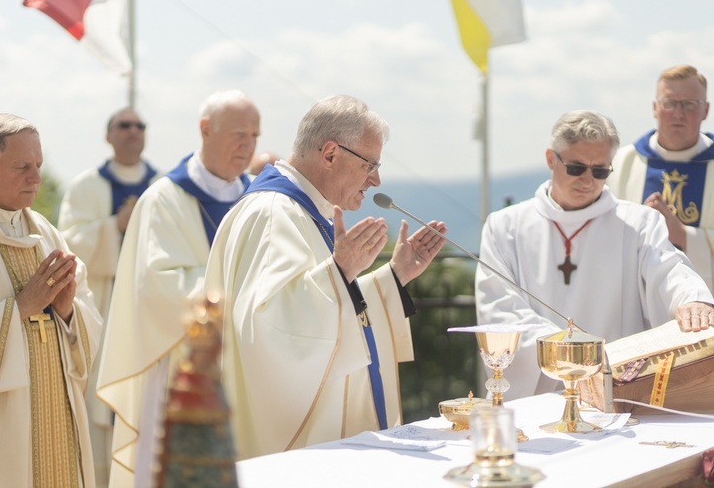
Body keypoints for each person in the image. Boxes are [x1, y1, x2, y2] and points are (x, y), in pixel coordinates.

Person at [203, 94, 447, 460]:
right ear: (330, 154)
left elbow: (325, 305)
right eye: (370, 164)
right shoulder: (273, 213)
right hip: (292, 457)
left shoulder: (300, 210)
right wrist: (339, 272)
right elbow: (265, 330)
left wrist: (395, 277)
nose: (376, 179)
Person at [475, 110, 714, 400]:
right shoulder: (504, 227)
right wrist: (567, 352)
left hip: (615, 393)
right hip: (535, 401)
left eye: (600, 170)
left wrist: (691, 299)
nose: (588, 179)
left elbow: (668, 268)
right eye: (577, 168)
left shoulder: (639, 223)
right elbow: (500, 309)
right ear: (551, 159)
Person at [96, 89, 260, 487]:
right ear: (205, 129)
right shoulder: (164, 199)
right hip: (180, 369)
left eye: (255, 136)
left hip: (249, 359)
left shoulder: (257, 196)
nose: (248, 145)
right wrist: (245, 296)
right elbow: (156, 287)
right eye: (239, 133)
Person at [0, 113, 102, 486]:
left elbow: (87, 320)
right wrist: (20, 309)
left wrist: (68, 311)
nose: (37, 179)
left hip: (55, 415)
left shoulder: (46, 234)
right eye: (23, 166)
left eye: (38, 165)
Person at [57, 106, 159, 487]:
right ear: (108, 135)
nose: (133, 131)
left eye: (140, 125)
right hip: (101, 306)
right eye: (124, 125)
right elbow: (67, 244)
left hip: (149, 314)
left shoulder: (163, 185)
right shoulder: (85, 186)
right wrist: (113, 227)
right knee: (99, 409)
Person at [607, 64, 714, 292]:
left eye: (689, 104)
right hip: (639, 299)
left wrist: (685, 236)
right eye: (669, 103)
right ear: (655, 108)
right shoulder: (619, 164)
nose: (678, 113)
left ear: (706, 110)